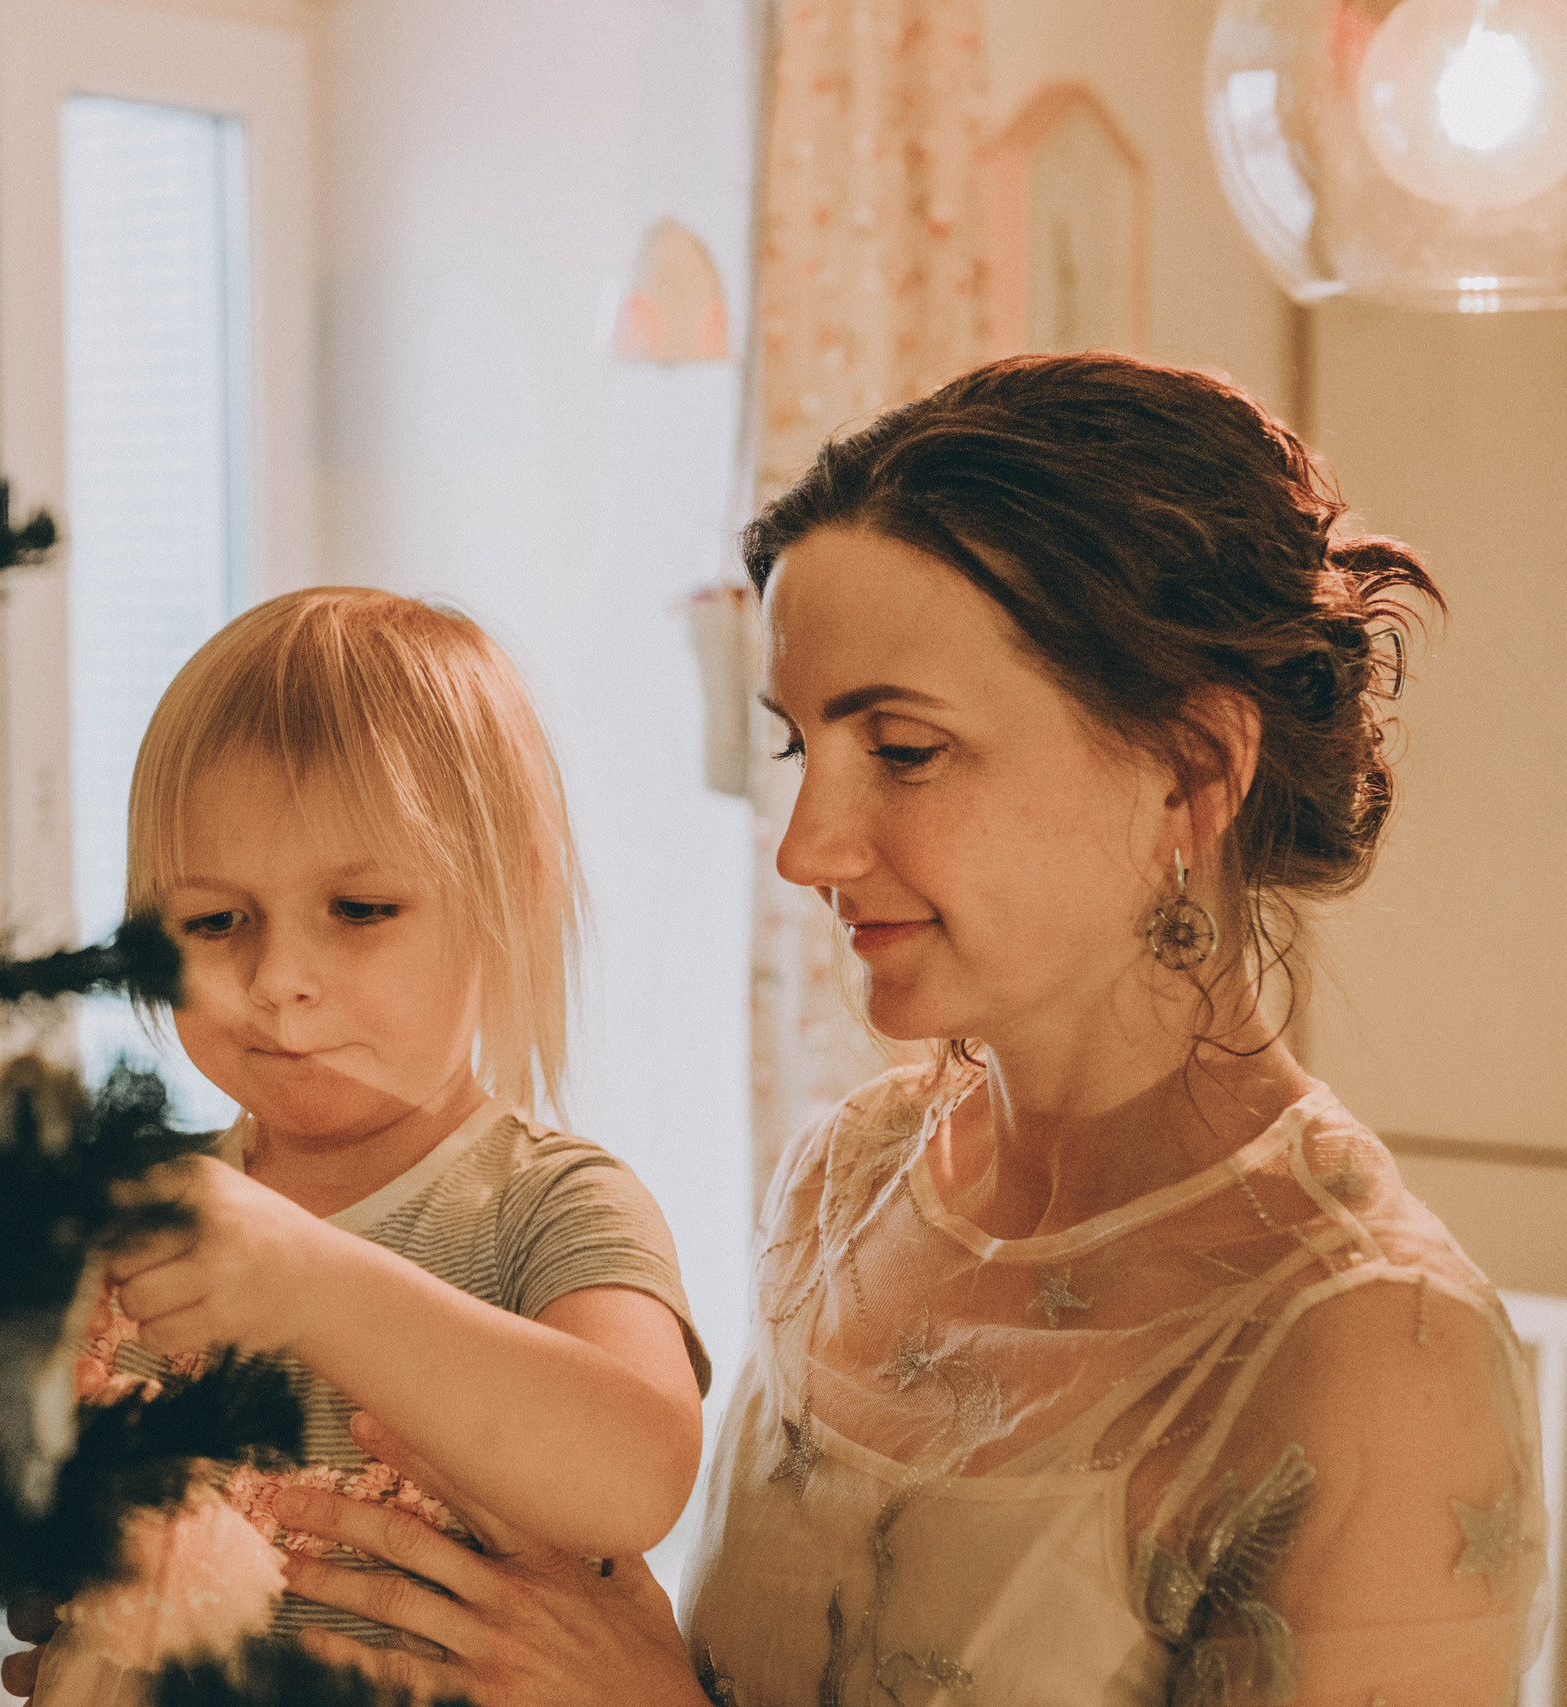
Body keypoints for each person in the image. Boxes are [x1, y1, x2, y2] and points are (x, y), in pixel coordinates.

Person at [156, 353, 1551, 1707]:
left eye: (902, 750)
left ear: (1191, 772)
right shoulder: (851, 1175)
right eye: (796, 748)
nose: (808, 847)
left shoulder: (1374, 1349)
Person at [14, 587, 714, 1700]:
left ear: (510, 902)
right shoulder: (142, 1217)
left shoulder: (549, 1202)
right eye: (214, 922)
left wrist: (311, 1283)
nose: (277, 980)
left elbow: (638, 1474)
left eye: (361, 909)